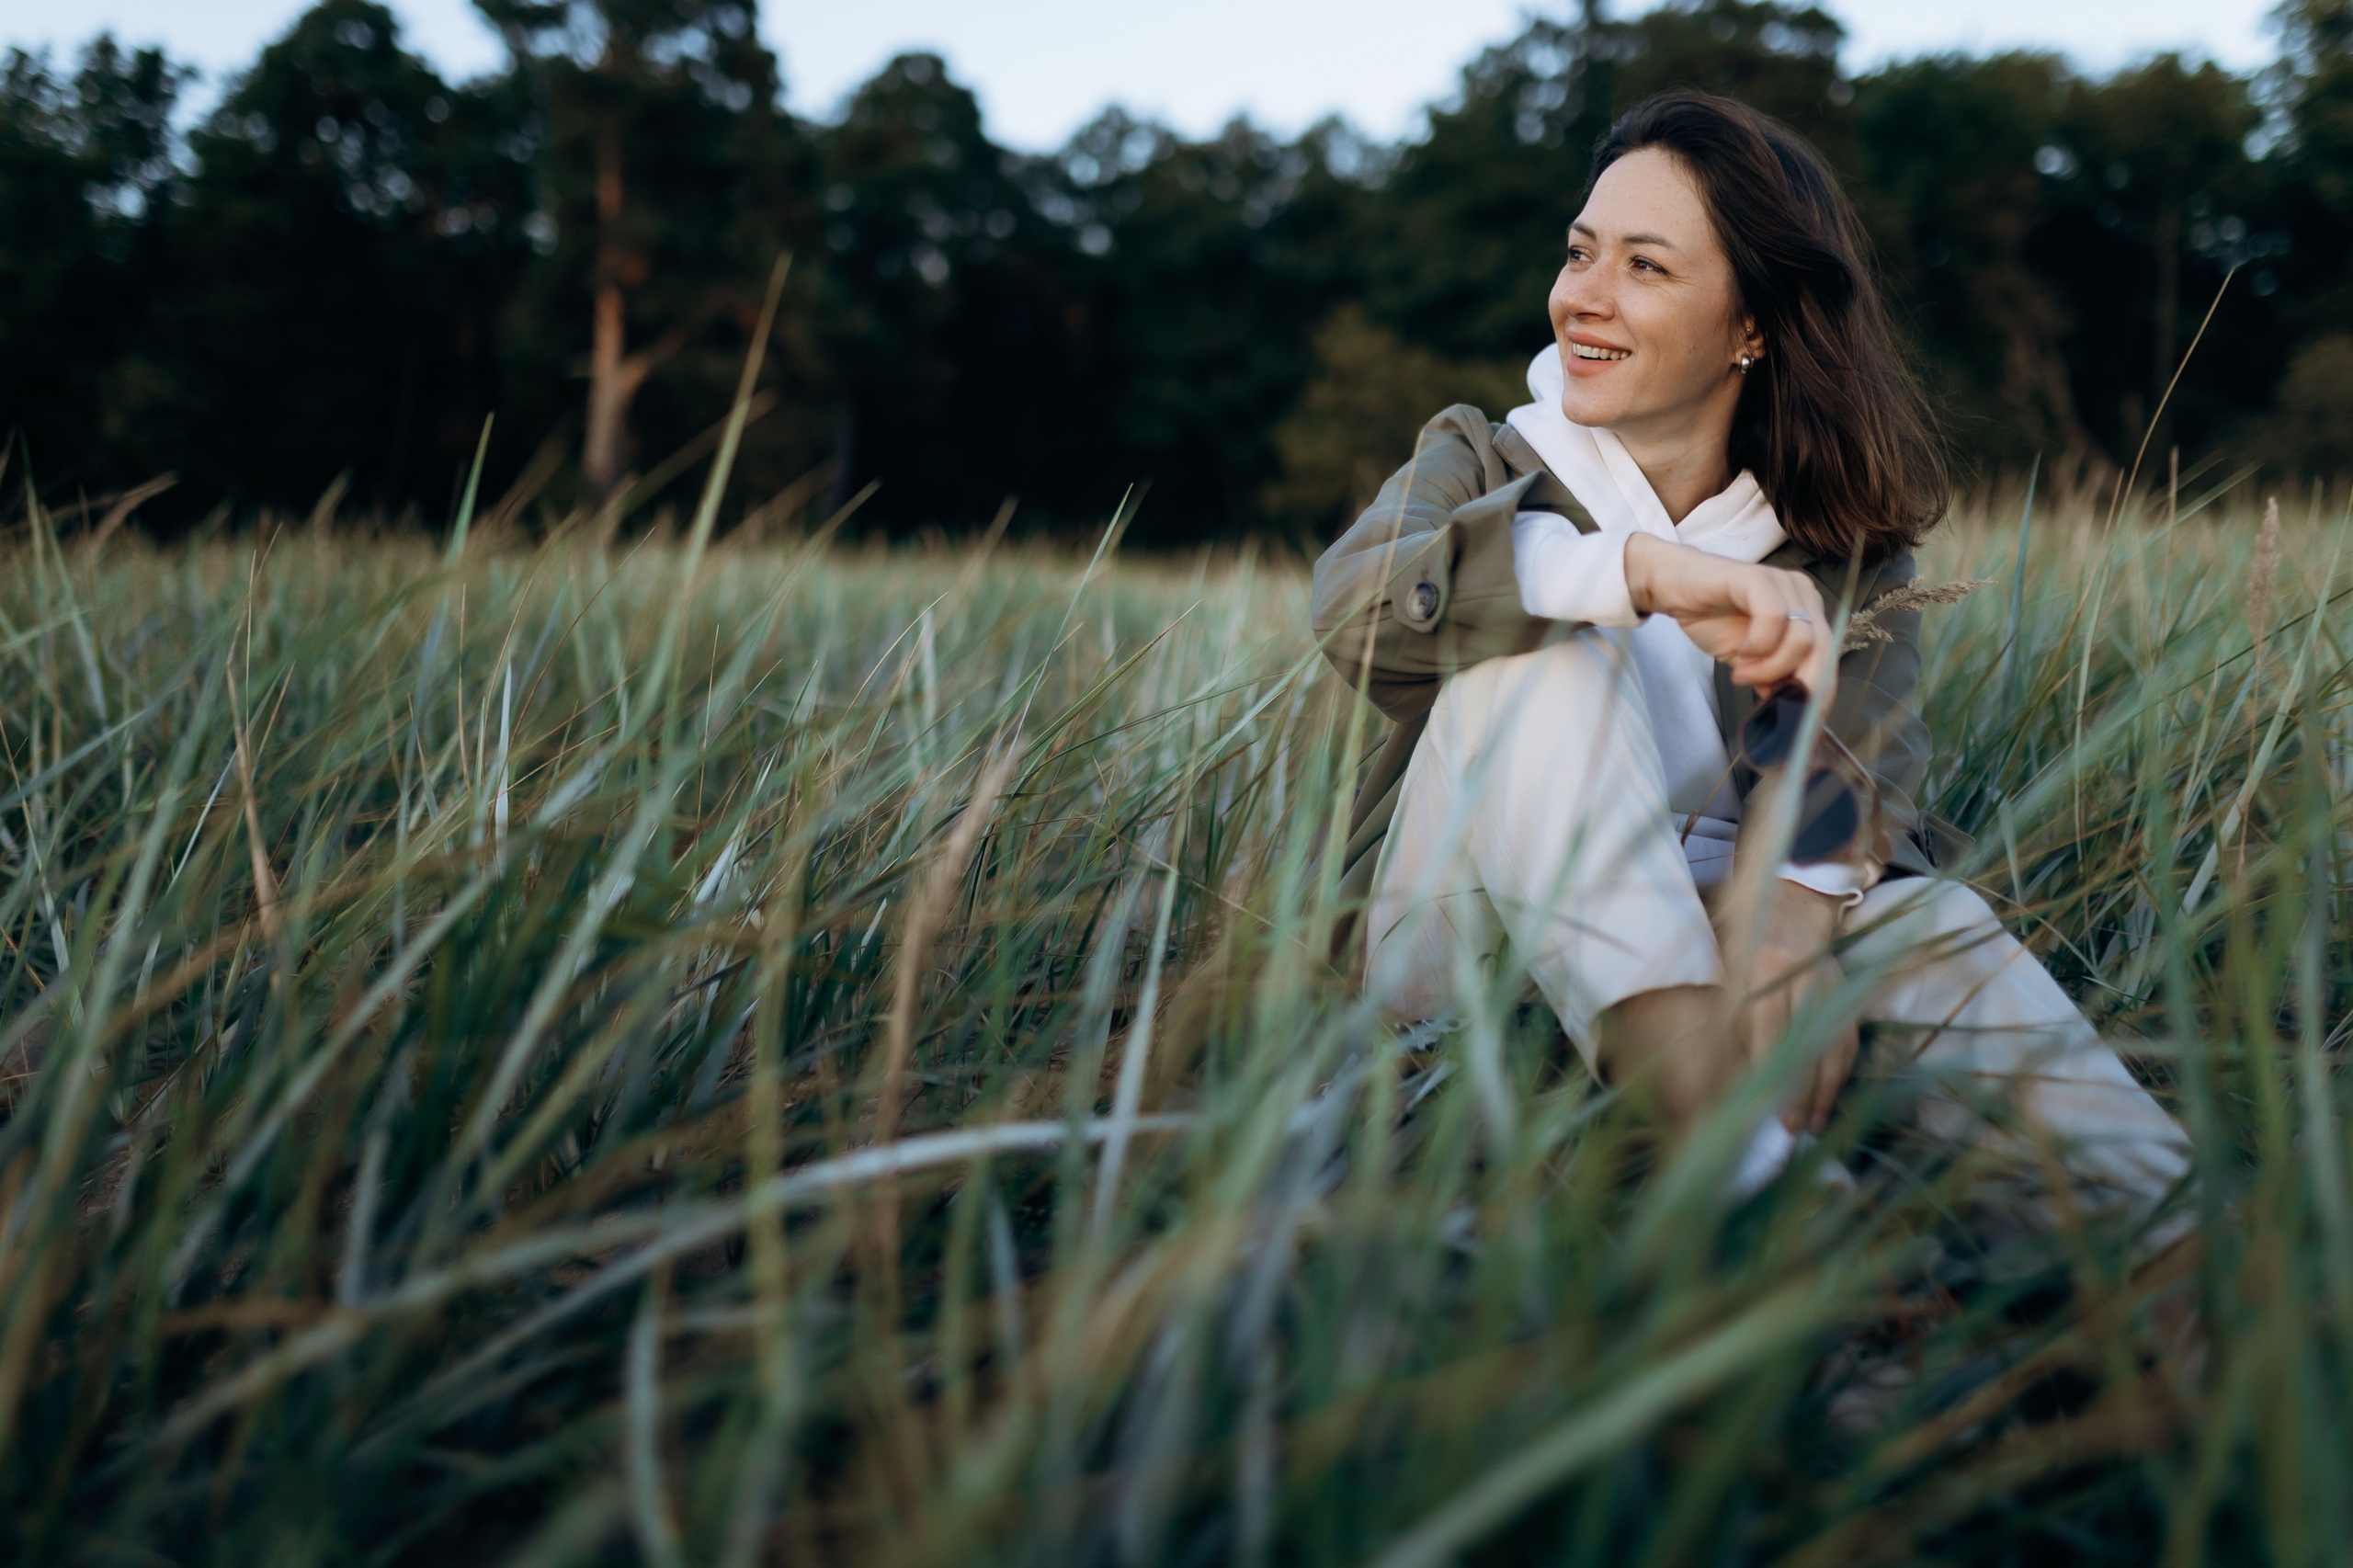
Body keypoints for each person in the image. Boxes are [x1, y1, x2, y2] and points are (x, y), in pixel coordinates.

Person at [1312, 91, 2189, 1227]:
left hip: (1719, 954)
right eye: (1581, 253)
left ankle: (2197, 1272)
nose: (1582, 295)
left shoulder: (1839, 547)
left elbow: (1854, 764)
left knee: (1919, 925)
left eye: (1644, 266)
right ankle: (1764, 1197)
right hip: (1461, 959)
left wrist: (1786, 912)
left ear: (1752, 327)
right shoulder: (1481, 458)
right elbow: (1355, 608)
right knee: (1542, 658)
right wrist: (1637, 574)